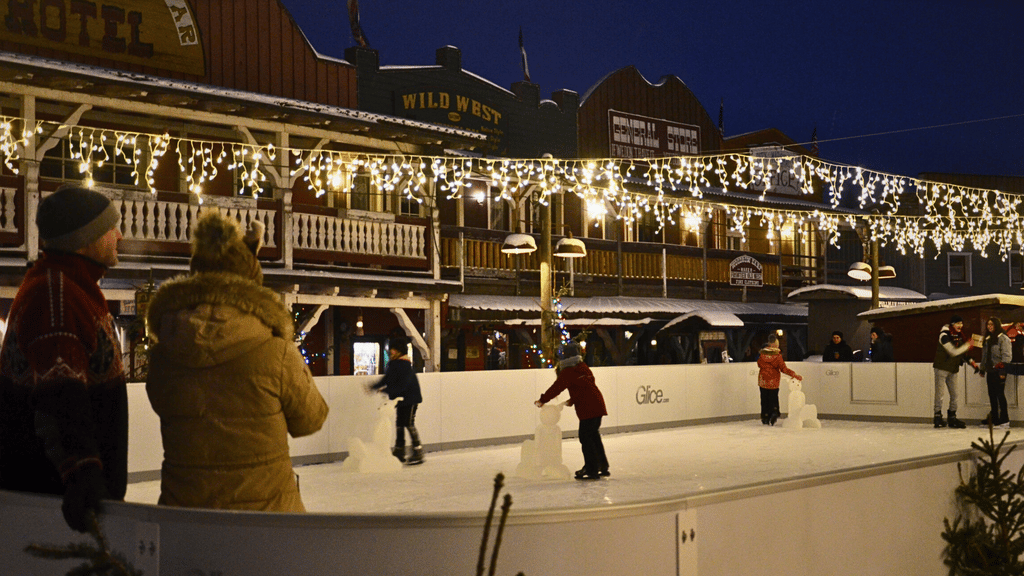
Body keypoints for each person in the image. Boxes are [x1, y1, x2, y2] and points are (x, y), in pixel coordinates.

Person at [145, 211, 328, 511]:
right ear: (253, 283)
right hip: (266, 517)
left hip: (187, 515)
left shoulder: (165, 354)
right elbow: (311, 419)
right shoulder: (276, 353)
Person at [0, 185, 126, 532]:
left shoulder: (72, 287)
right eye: (109, 227)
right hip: (56, 507)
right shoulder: (57, 295)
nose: (119, 235)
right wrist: (82, 474)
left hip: (59, 500)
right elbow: (60, 395)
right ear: (85, 238)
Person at [535, 341, 609, 480]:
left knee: (586, 437)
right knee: (593, 436)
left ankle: (592, 469)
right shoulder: (583, 367)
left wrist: (542, 400)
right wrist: (572, 400)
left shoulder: (568, 371)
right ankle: (601, 465)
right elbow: (586, 386)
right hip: (598, 404)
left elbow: (556, 388)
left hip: (588, 408)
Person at [371, 335, 425, 465]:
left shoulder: (405, 365)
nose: (391, 351)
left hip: (411, 398)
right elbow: (387, 379)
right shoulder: (394, 364)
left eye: (393, 349)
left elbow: (402, 385)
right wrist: (374, 386)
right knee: (400, 424)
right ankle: (399, 450)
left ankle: (418, 451)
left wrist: (385, 390)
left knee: (408, 423)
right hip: (400, 399)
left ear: (399, 351)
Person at [932, 314, 974, 429]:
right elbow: (953, 352)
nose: (961, 325)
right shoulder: (944, 335)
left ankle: (952, 417)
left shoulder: (959, 336)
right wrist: (967, 346)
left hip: (953, 369)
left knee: (955, 395)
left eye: (961, 323)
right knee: (939, 394)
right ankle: (937, 417)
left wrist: (971, 362)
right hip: (941, 368)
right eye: (958, 323)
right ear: (952, 324)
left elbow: (962, 354)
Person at [757, 334, 802, 425]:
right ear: (775, 344)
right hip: (773, 381)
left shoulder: (762, 355)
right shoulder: (777, 356)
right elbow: (783, 369)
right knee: (773, 398)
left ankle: (765, 416)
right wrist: (794, 375)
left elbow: (759, 364)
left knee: (764, 399)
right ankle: (774, 412)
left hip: (763, 381)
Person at [979, 317, 1012, 428]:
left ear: (997, 325)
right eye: (988, 324)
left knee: (1000, 394)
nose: (989, 326)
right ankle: (994, 417)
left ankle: (1004, 419)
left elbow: (1006, 356)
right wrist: (982, 369)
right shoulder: (988, 338)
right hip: (990, 370)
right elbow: (985, 356)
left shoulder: (1003, 338)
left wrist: (1002, 370)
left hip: (999, 370)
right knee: (992, 394)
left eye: (992, 324)